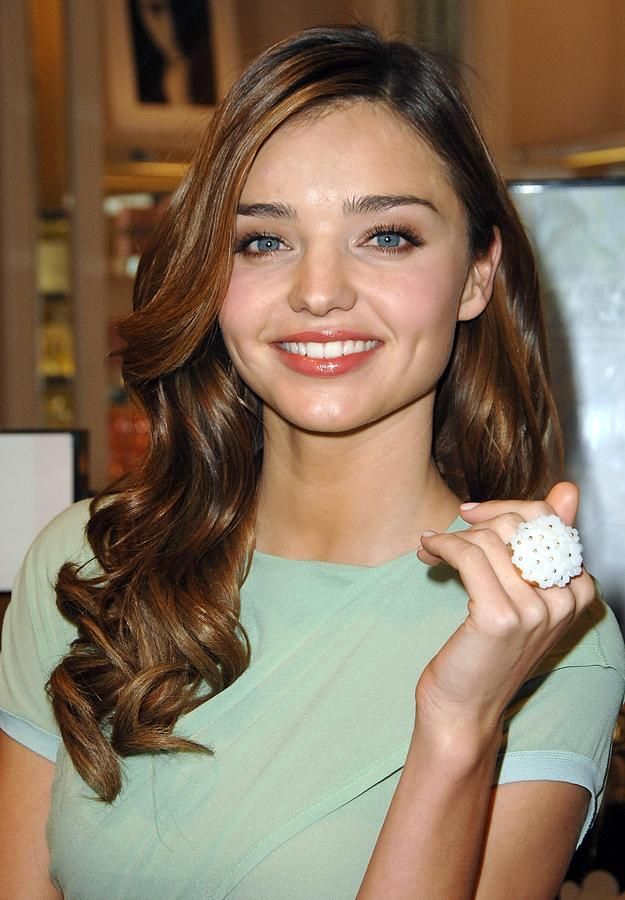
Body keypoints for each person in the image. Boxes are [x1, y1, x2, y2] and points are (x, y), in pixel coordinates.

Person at [1, 25, 624, 899]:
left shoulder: (550, 637)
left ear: (476, 275)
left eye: (387, 236)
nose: (318, 290)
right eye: (263, 240)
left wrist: (457, 723)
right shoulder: (88, 564)